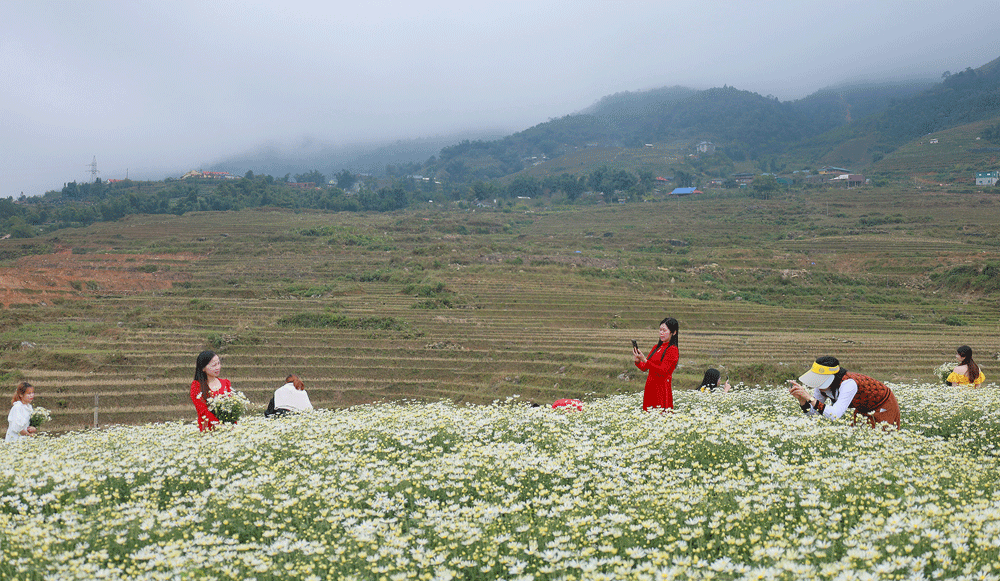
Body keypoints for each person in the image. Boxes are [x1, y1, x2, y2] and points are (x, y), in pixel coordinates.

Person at [788, 356, 900, 429]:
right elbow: (814, 414)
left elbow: (835, 415)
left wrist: (809, 398)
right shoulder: (821, 387)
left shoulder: (848, 384)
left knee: (885, 438)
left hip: (884, 404)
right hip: (863, 408)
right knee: (858, 438)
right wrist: (802, 400)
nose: (817, 384)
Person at [633, 317, 679, 411]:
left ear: (673, 332)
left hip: (661, 388)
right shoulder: (656, 347)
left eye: (664, 330)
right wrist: (638, 361)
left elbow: (663, 371)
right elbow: (645, 367)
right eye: (660, 330)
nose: (661, 333)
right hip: (650, 387)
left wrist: (645, 360)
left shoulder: (672, 350)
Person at [189, 350, 232, 431]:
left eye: (218, 363)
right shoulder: (197, 386)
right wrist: (219, 425)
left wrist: (231, 425)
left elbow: (231, 407)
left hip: (228, 430)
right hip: (208, 431)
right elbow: (203, 411)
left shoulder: (226, 383)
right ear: (203, 368)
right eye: (214, 365)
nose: (218, 367)